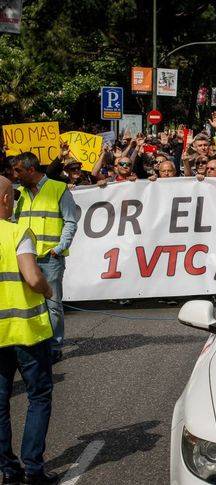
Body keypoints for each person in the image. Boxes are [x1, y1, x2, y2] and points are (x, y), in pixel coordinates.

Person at [0, 175, 58, 485]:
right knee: (38, 397)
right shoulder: (17, 231)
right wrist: (49, 291)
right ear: (6, 200)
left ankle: (9, 471)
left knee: (0, 403)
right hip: (26, 331)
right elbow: (33, 278)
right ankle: (34, 469)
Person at [11, 152, 77, 363]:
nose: (15, 175)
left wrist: (59, 248)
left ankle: (54, 346)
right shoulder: (18, 193)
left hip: (50, 259)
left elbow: (70, 221)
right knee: (27, 303)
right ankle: (33, 342)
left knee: (53, 305)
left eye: (18, 170)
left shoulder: (58, 189)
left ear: (31, 170)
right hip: (25, 258)